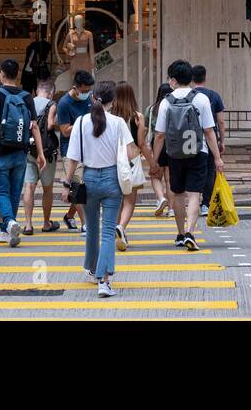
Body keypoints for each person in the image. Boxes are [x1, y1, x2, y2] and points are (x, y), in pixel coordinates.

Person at [63, 81, 138, 298]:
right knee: (107, 231)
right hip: (112, 179)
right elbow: (131, 153)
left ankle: (91, 268)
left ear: (93, 97)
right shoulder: (118, 123)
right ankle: (104, 281)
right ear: (112, 102)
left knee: (91, 228)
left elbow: (73, 158)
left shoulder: (80, 122)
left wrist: (67, 185)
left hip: (89, 179)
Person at [152, 59, 223, 252]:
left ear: (173, 80)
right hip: (197, 152)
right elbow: (209, 131)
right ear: (191, 78)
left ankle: (180, 234)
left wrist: (154, 160)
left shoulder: (166, 101)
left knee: (177, 193)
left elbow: (160, 135)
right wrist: (217, 158)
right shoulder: (201, 99)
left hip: (175, 154)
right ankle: (191, 233)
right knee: (194, 195)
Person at [0, 59, 46, 247]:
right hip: (21, 153)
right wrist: (40, 153)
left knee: (3, 192)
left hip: (0, 153)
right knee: (15, 192)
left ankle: (9, 222)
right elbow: (34, 127)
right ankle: (5, 231)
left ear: (1, 74)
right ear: (17, 74)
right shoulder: (26, 96)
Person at [111, 80, 155, 250]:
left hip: (113, 160)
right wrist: (152, 164)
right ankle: (121, 227)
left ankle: (116, 230)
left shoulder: (111, 116)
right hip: (132, 160)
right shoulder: (137, 117)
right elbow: (142, 143)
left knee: (116, 199)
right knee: (129, 200)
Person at [20, 68, 59, 235]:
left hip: (29, 150)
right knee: (47, 188)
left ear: (36, 91)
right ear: (51, 93)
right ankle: (45, 223)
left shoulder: (27, 102)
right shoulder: (51, 104)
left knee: (29, 186)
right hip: (46, 152)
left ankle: (28, 225)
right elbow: (50, 125)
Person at [55, 69, 95, 230]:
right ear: (76, 87)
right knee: (77, 185)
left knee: (86, 187)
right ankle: (86, 224)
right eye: (84, 90)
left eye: (89, 90)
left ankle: (70, 215)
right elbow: (64, 130)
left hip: (89, 148)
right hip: (70, 150)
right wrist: (85, 122)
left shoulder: (89, 99)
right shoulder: (64, 103)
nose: (87, 93)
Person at [190, 65, 226, 216]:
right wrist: (221, 141)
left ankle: (193, 201)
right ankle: (206, 204)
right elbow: (221, 122)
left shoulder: (189, 95)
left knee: (195, 170)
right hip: (210, 139)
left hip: (190, 139)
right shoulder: (214, 95)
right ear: (205, 77)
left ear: (192, 78)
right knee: (210, 171)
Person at [144, 82, 173, 217]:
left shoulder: (151, 109)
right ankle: (171, 209)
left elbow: (145, 130)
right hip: (173, 145)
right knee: (170, 179)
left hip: (158, 145)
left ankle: (161, 198)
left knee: (155, 175)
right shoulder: (174, 107)